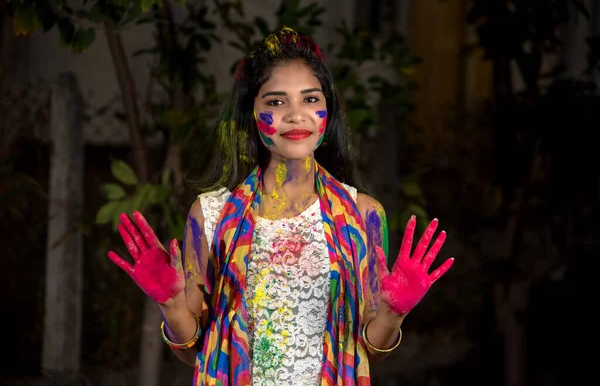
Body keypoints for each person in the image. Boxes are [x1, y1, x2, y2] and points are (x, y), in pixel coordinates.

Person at [107, 27, 455, 386]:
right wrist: (171, 306)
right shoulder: (210, 215)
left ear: (328, 112)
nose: (294, 115)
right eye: (275, 101)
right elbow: (192, 352)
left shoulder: (363, 214)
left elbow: (366, 350)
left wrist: (394, 314)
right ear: (251, 112)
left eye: (310, 99)